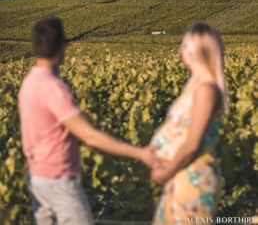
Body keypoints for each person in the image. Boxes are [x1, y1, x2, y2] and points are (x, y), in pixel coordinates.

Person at [18, 17, 156, 225]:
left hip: (37, 178)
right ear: (61, 46)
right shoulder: (52, 87)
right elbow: (90, 136)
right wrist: (140, 153)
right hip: (58, 181)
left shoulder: (29, 82)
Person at [149, 22, 228, 224]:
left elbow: (192, 143)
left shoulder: (206, 90)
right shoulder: (195, 85)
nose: (180, 50)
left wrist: (167, 171)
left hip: (193, 177)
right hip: (180, 174)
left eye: (184, 45)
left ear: (194, 49)